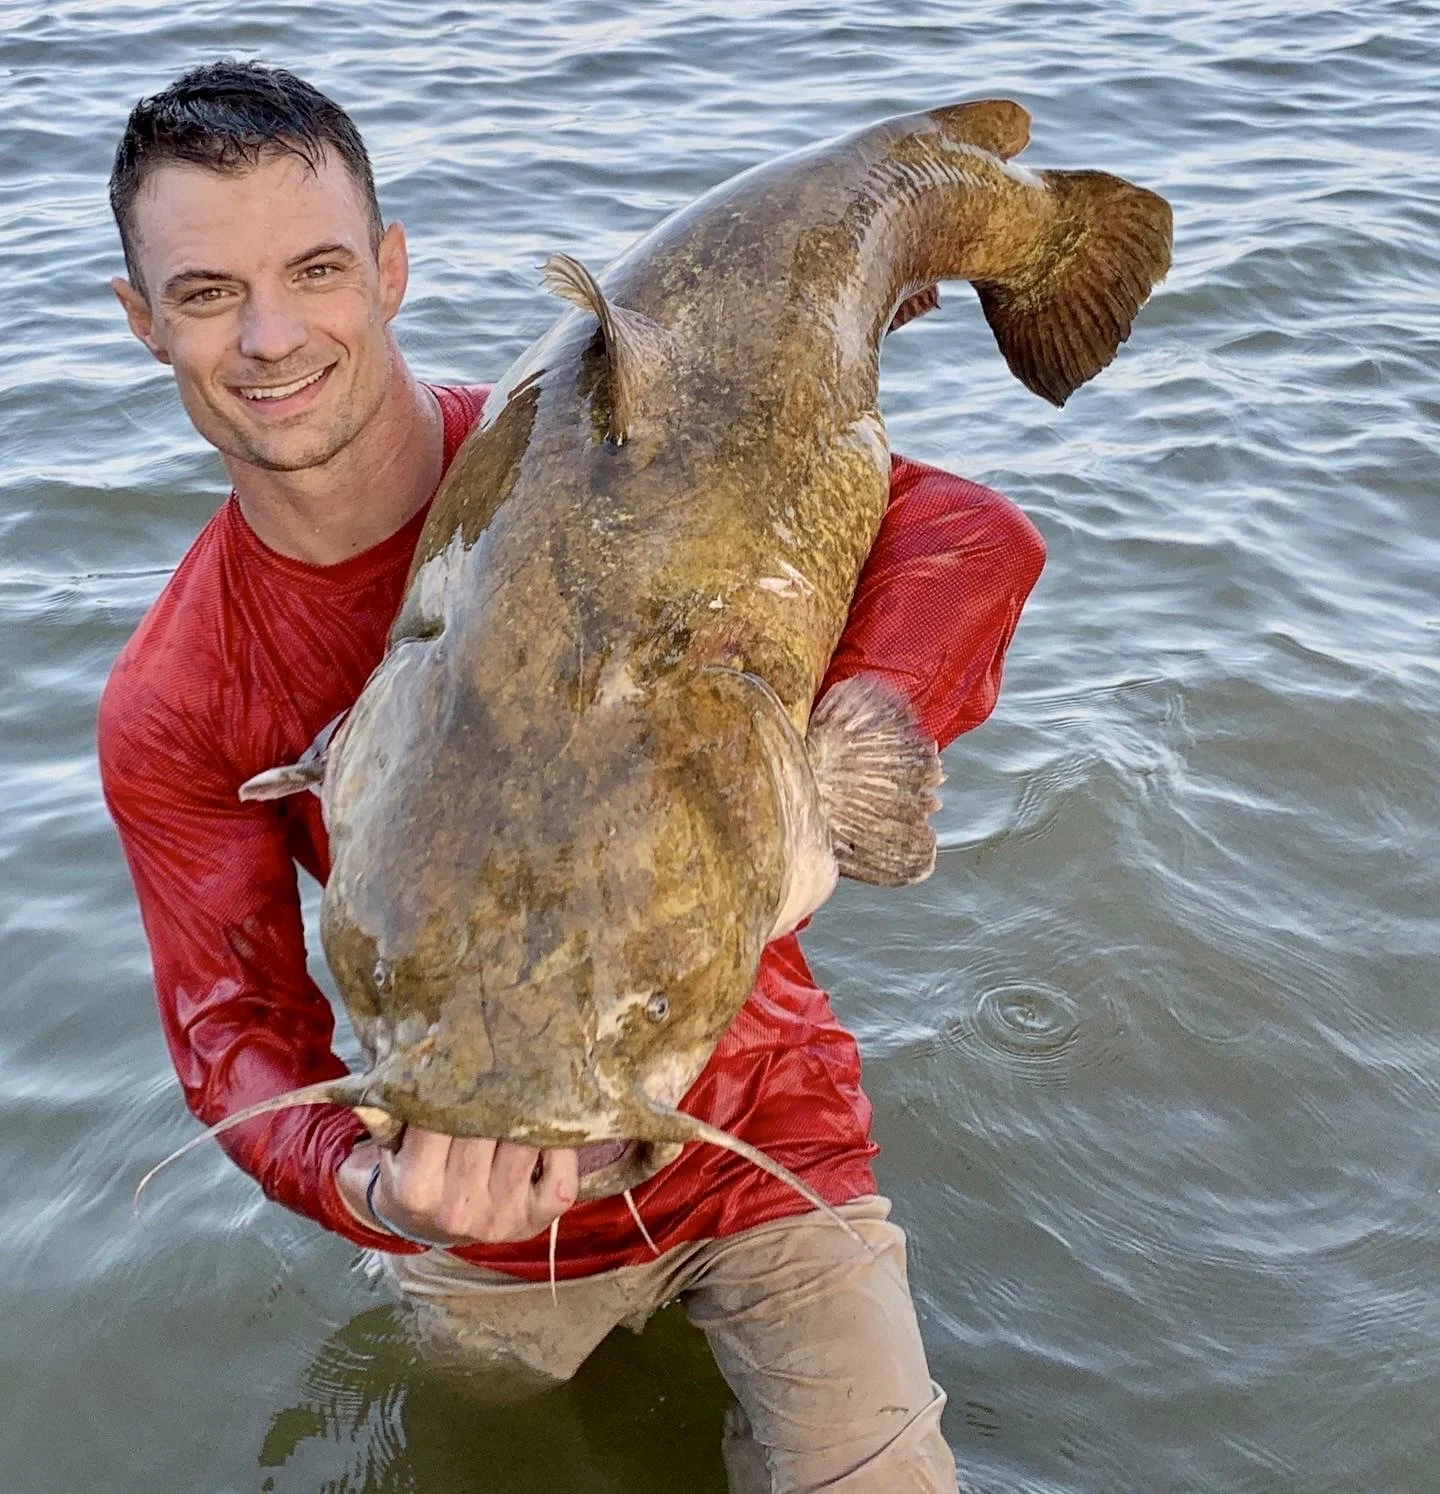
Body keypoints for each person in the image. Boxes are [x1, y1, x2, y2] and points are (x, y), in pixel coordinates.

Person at [99, 60, 1045, 1493]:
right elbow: (233, 1029)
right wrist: (372, 1186)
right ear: (141, 322)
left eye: (315, 269)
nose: (272, 335)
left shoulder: (619, 447)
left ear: (391, 270)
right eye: (209, 292)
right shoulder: (175, 698)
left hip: (757, 1139)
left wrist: (826, 773)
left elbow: (972, 539)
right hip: (465, 1208)